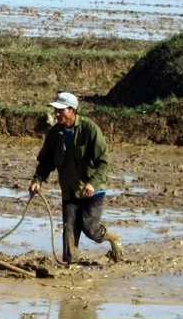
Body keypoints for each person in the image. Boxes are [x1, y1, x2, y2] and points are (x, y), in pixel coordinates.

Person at [28, 91, 124, 264]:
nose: (57, 114)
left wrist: (92, 183)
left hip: (93, 188)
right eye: (55, 110)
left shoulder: (89, 129)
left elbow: (103, 161)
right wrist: (37, 180)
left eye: (61, 110)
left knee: (90, 228)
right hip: (70, 189)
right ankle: (71, 265)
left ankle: (112, 237)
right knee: (69, 228)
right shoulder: (54, 134)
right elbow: (46, 162)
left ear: (72, 110)